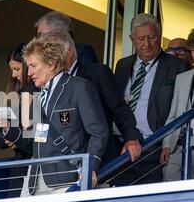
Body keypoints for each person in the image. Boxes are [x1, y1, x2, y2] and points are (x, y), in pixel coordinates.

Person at [0, 33, 108, 196]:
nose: (29, 72)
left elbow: (98, 132)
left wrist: (91, 167)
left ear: (51, 64)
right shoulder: (38, 95)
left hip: (66, 178)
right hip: (33, 181)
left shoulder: (79, 87)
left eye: (33, 66)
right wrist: (8, 127)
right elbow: (34, 142)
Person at [112, 13, 190, 186]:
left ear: (160, 36)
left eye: (151, 37)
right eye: (140, 39)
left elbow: (181, 108)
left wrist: (167, 143)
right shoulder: (123, 65)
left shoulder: (177, 66)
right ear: (132, 39)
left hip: (155, 145)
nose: (146, 44)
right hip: (123, 145)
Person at [44, 30, 143, 167]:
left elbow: (119, 109)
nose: (49, 58)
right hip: (57, 164)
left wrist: (132, 137)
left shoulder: (98, 74)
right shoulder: (45, 83)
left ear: (70, 51)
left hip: (97, 160)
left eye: (53, 52)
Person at [0, 43, 39, 197]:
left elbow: (32, 139)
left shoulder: (36, 92)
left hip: (29, 165)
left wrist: (13, 133)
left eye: (17, 69)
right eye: (12, 69)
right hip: (20, 164)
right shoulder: (18, 93)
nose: (13, 75)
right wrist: (8, 132)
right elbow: (0, 138)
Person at [160, 68, 194, 181]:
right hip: (178, 145)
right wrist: (167, 144)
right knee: (169, 178)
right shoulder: (182, 77)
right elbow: (173, 114)